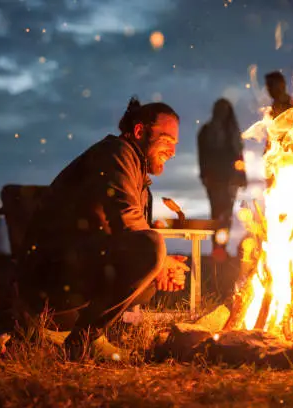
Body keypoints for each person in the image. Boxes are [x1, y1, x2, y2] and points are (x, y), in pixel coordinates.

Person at [16, 97, 189, 359]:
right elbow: (127, 221)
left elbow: (125, 234)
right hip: (49, 275)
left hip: (71, 270)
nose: (173, 151)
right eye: (167, 140)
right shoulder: (116, 154)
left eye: (175, 144)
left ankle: (71, 330)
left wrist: (161, 268)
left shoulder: (136, 171)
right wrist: (159, 260)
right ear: (140, 131)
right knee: (151, 249)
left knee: (150, 267)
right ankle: (84, 340)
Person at [197, 99, 247, 259]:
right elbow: (202, 156)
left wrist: (242, 175)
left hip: (230, 179)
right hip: (215, 180)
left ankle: (221, 248)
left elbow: (239, 157)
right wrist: (205, 175)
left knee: (226, 215)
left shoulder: (231, 132)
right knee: (217, 214)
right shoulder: (206, 131)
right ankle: (217, 249)